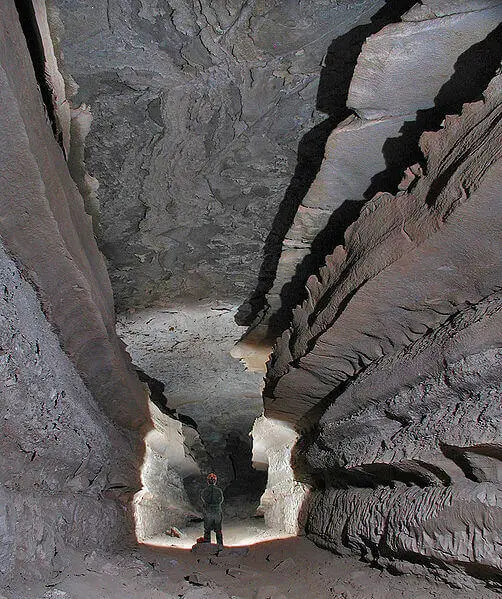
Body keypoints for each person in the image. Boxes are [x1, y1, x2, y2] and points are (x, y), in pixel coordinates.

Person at [200, 472, 224, 548]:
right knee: (218, 530)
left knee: (207, 530)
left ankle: (207, 547)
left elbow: (203, 499)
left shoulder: (204, 491)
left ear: (208, 481)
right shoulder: (219, 490)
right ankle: (220, 547)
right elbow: (221, 500)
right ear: (215, 481)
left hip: (208, 512)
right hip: (217, 511)